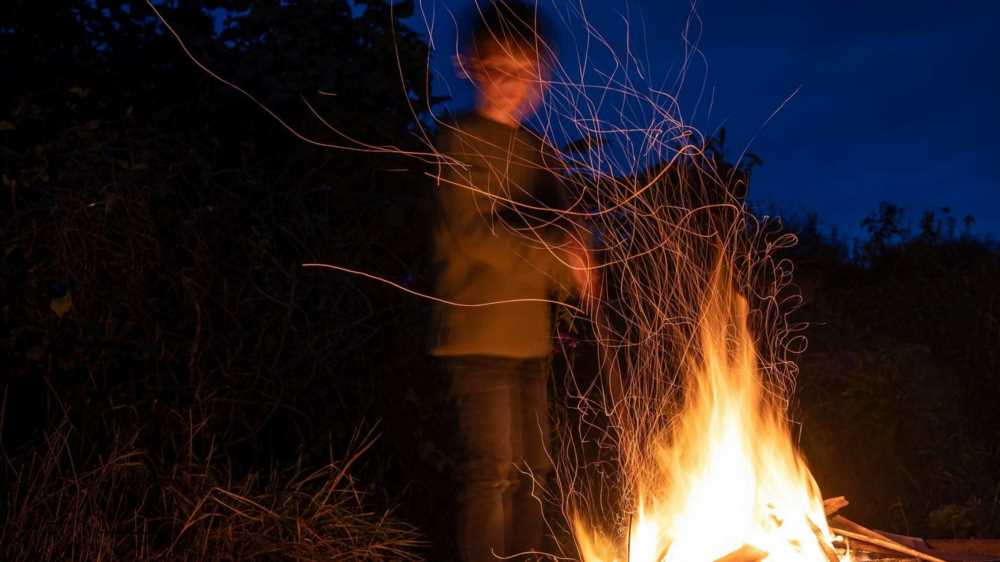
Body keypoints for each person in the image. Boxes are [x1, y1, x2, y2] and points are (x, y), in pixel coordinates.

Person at [428, 2, 592, 560]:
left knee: (533, 474)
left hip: (529, 342)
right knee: (492, 473)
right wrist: (556, 257)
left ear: (541, 77)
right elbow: (475, 239)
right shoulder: (458, 141)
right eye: (494, 68)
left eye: (521, 72)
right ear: (470, 66)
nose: (507, 84)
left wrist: (580, 266)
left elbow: (562, 247)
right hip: (476, 339)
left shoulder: (538, 154)